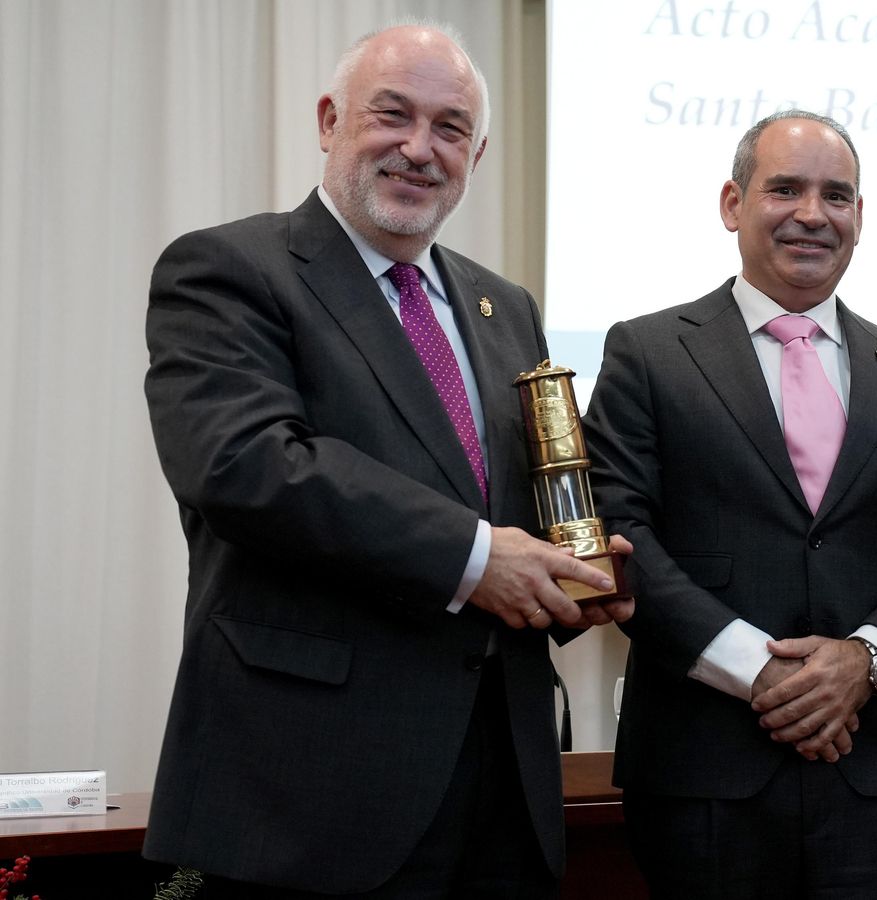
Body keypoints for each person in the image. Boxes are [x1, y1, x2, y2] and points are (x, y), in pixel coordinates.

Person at [142, 23, 631, 898]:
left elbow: (508, 513)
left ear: (476, 156)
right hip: (310, 795)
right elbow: (247, 466)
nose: (419, 148)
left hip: (502, 796)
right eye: (392, 115)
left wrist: (570, 586)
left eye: (450, 129)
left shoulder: (502, 306)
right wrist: (480, 559)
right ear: (330, 120)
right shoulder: (229, 269)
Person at [582, 110, 877, 899]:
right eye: (785, 189)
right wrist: (755, 672)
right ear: (733, 204)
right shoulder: (647, 351)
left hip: (874, 774)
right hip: (704, 773)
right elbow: (617, 530)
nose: (812, 213)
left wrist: (865, 660)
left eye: (836, 195)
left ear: (860, 218)